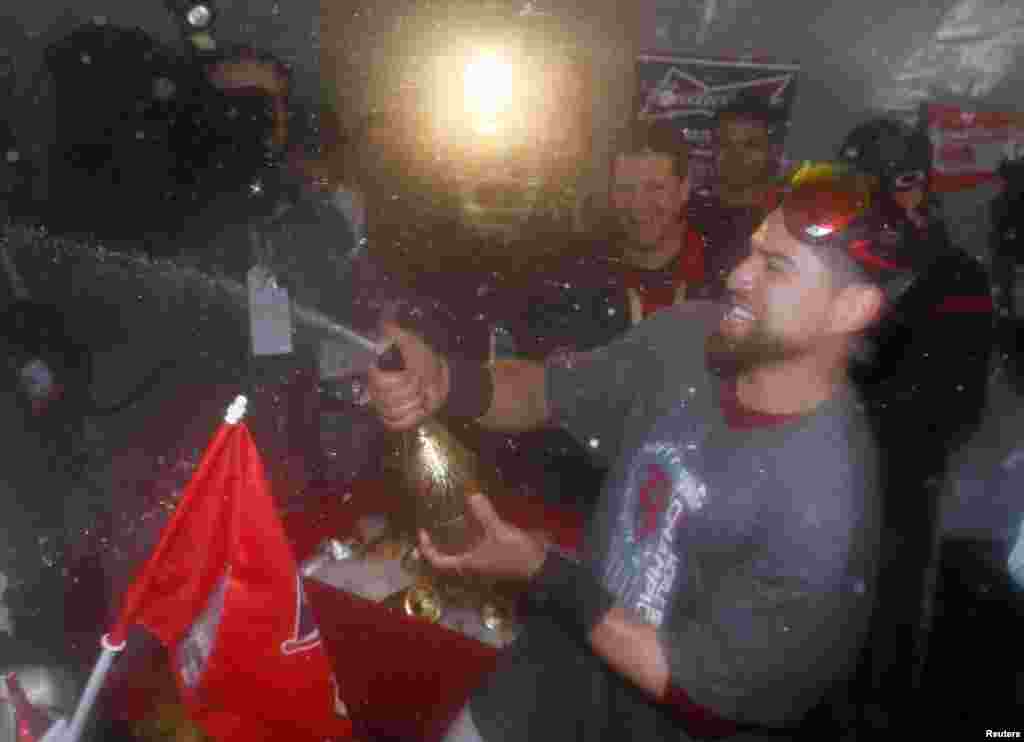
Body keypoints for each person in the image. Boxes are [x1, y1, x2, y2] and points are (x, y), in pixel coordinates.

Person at [368, 164, 922, 740]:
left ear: (852, 309)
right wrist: (443, 381)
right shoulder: (692, 338)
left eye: (775, 267)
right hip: (546, 683)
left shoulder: (833, 500)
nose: (737, 275)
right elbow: (547, 393)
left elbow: (704, 692)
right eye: (753, 252)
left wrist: (542, 570)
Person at [836, 117, 995, 718]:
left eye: (900, 183)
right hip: (817, 484)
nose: (887, 202)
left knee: (879, 655)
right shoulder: (836, 266)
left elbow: (958, 408)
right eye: (869, 187)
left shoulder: (955, 276)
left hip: (895, 499)